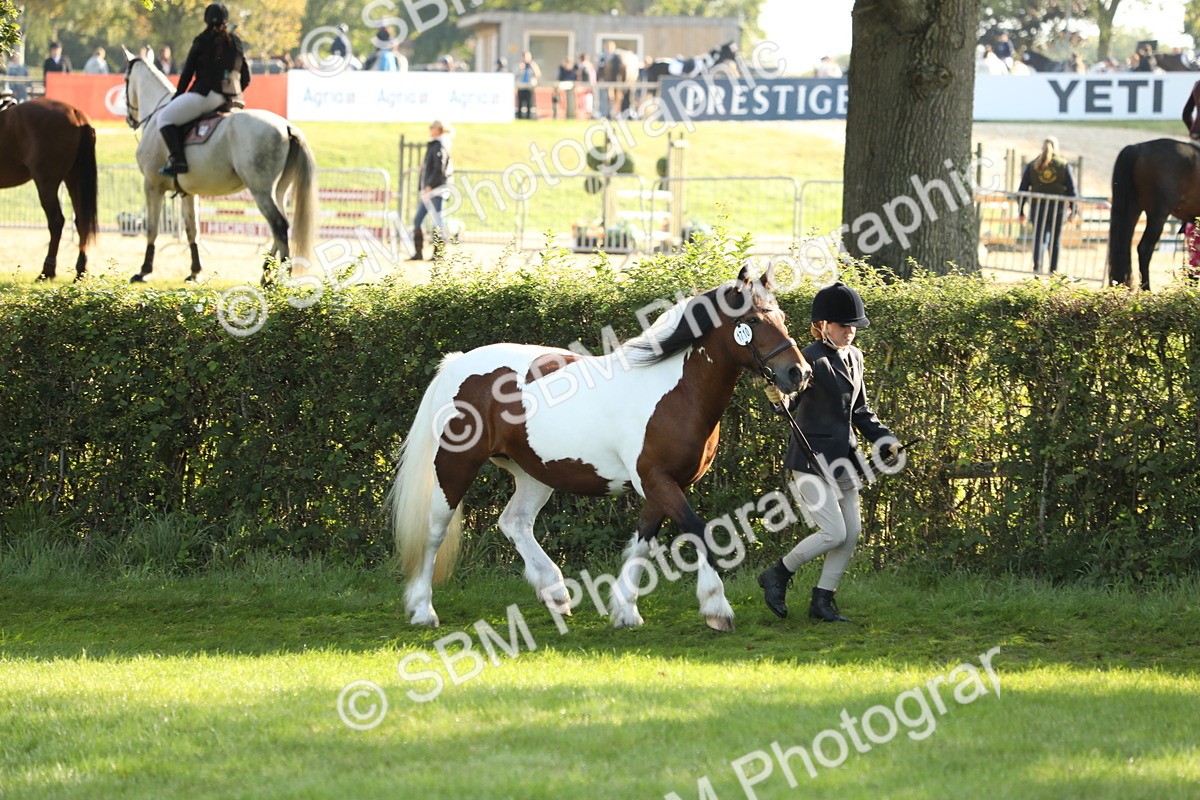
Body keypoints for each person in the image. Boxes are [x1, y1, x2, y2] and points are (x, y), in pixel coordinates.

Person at [756, 282, 901, 623]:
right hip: (810, 460)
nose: (851, 331)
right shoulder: (809, 359)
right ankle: (777, 573)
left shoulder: (855, 357)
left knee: (851, 534)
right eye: (843, 325)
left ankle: (822, 601)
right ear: (822, 325)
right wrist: (780, 400)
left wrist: (886, 440)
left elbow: (861, 411)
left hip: (845, 459)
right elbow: (790, 398)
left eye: (854, 325)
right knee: (833, 532)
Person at [156, 3, 251, 176]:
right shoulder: (236, 42)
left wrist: (177, 96)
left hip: (206, 96)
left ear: (206, 20)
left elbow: (187, 74)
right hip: (232, 98)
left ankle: (178, 160)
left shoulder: (202, 40)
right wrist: (232, 93)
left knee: (163, 118)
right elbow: (247, 77)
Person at [1018, 136, 1078, 275]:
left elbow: (1022, 190)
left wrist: (1021, 211)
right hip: (1058, 209)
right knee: (1055, 241)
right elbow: (1072, 190)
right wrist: (1074, 210)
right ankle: (1053, 272)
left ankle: (1037, 270)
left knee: (1039, 239)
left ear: (1042, 147)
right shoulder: (1063, 165)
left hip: (1037, 208)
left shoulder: (1033, 165)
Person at [408, 120, 454, 262]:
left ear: (438, 129)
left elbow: (439, 169)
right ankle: (418, 253)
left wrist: (429, 184)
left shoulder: (439, 145)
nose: (430, 129)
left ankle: (438, 254)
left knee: (438, 221)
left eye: (432, 127)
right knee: (418, 220)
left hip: (436, 189)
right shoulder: (435, 144)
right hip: (431, 189)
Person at [515, 50, 540, 120]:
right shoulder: (519, 65)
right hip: (521, 87)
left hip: (530, 87)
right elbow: (515, 75)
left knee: (529, 104)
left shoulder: (533, 65)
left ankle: (529, 118)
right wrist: (520, 68)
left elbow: (538, 74)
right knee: (520, 104)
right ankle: (520, 118)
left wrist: (533, 66)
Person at [576, 52, 596, 117]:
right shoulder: (590, 65)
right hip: (591, 84)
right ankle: (589, 112)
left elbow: (580, 75)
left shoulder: (582, 65)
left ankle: (587, 112)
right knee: (589, 98)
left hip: (585, 84)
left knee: (585, 99)